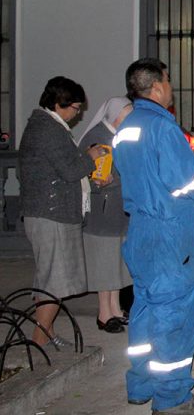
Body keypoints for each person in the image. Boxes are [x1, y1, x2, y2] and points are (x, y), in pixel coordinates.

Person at [112, 58, 194, 414]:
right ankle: (173, 398)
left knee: (144, 308)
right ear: (157, 86)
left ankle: (141, 384)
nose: (171, 86)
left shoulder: (128, 126)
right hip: (172, 234)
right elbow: (185, 182)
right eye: (168, 80)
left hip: (141, 229)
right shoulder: (163, 127)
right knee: (175, 315)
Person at [19, 76, 105, 348]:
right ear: (59, 103)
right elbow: (69, 170)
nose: (77, 114)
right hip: (50, 214)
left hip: (47, 211)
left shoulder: (45, 125)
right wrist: (89, 157)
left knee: (49, 278)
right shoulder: (48, 129)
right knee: (54, 282)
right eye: (75, 108)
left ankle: (47, 334)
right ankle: (39, 341)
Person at [77, 96, 133, 334]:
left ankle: (116, 309)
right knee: (104, 262)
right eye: (128, 112)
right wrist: (102, 181)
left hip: (118, 208)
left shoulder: (119, 134)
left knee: (116, 262)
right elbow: (87, 170)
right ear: (116, 114)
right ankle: (104, 313)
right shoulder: (97, 136)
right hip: (104, 210)